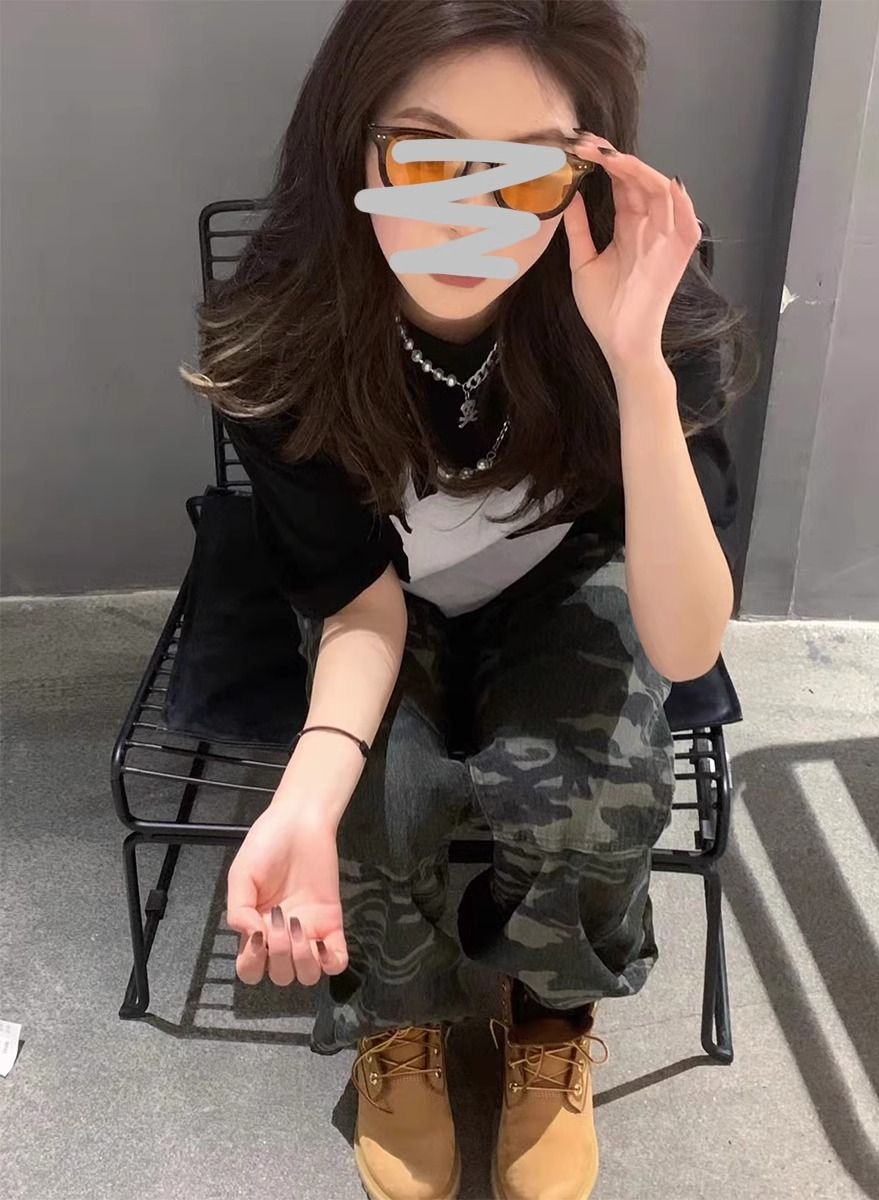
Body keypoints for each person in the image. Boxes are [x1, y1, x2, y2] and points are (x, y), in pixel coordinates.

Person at [179, 3, 758, 1197]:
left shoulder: (643, 299)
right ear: (355, 141)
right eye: (430, 156)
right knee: (368, 797)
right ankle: (402, 1020)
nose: (469, 220)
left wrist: (636, 364)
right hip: (388, 591)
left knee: (597, 779)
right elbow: (357, 601)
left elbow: (685, 642)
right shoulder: (285, 334)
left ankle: (550, 1014)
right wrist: (310, 786)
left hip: (572, 571)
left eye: (525, 172)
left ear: (585, 171)